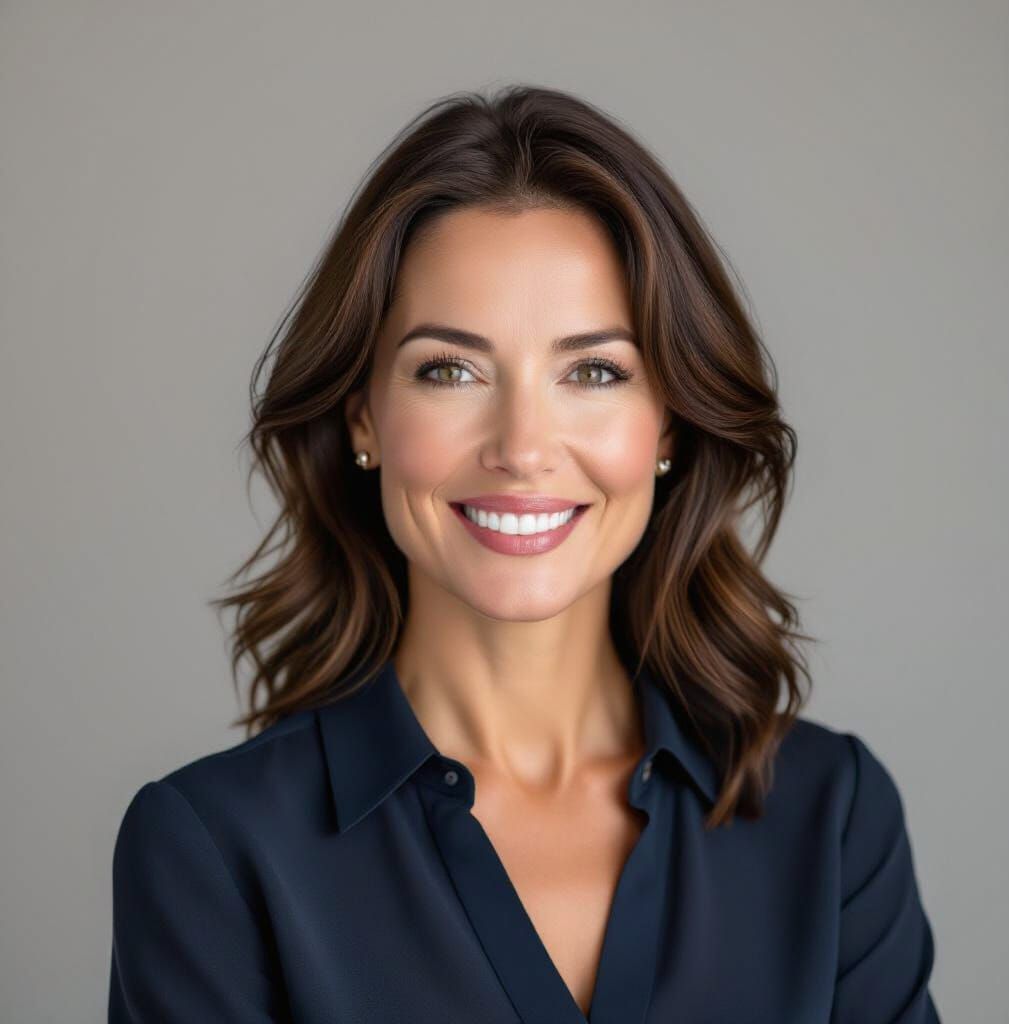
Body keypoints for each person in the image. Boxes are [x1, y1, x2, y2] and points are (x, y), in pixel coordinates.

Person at [107, 85, 941, 1023]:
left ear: (666, 423)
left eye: (593, 371)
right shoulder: (212, 851)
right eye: (450, 370)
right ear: (363, 418)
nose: (522, 445)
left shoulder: (830, 821)